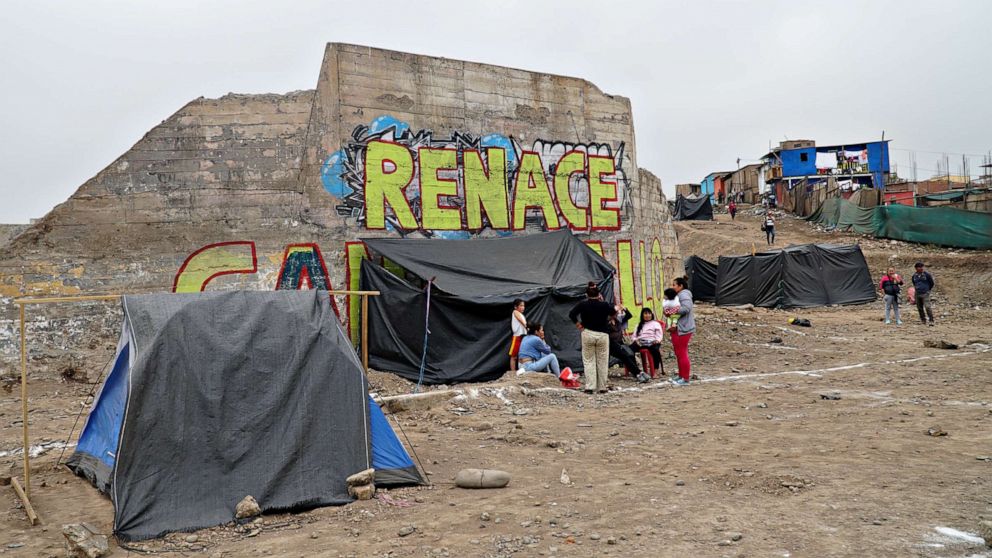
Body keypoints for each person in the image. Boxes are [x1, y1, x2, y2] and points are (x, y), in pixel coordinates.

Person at [568, 283, 617, 394]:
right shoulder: (604, 305)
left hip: (588, 333)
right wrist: (609, 319)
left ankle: (590, 386)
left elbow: (572, 314)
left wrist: (578, 324)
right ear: (599, 294)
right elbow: (614, 312)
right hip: (603, 335)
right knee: (602, 360)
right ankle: (602, 387)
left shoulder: (583, 304)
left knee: (589, 360)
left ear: (586, 294)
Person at [608, 305, 647, 382]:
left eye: (616, 313)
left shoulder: (617, 321)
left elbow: (629, 315)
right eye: (615, 313)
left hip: (620, 343)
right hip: (611, 344)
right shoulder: (607, 322)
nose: (616, 314)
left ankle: (636, 372)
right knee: (624, 355)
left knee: (629, 353)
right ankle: (638, 373)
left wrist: (625, 309)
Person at [669, 277, 695, 386]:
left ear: (680, 286)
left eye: (674, 285)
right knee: (679, 353)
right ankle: (681, 375)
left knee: (682, 353)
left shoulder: (683, 295)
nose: (673, 287)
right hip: (678, 328)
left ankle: (685, 378)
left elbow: (687, 308)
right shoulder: (679, 296)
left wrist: (672, 310)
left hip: (683, 329)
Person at [630, 308, 663, 377]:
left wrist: (657, 340)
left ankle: (655, 370)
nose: (647, 315)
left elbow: (659, 334)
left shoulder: (655, 324)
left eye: (649, 313)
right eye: (645, 313)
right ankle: (635, 370)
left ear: (651, 314)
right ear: (642, 315)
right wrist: (635, 340)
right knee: (629, 350)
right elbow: (634, 336)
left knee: (655, 350)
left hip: (652, 342)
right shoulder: (638, 325)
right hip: (641, 342)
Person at [911, 262, 935, 326]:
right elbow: (914, 283)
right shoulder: (914, 276)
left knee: (927, 307)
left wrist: (927, 290)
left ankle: (931, 320)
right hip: (917, 293)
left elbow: (931, 283)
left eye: (922, 267)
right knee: (919, 307)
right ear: (916, 268)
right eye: (919, 267)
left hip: (925, 293)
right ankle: (923, 320)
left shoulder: (927, 275)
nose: (921, 268)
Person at [508, 299, 527, 371]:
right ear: (516, 307)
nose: (523, 307)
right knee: (513, 356)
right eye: (521, 305)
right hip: (517, 337)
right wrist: (526, 326)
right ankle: (513, 373)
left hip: (523, 337)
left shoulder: (522, 315)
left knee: (521, 355)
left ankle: (520, 370)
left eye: (524, 306)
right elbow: (520, 321)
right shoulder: (515, 312)